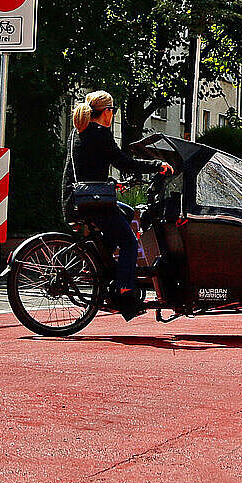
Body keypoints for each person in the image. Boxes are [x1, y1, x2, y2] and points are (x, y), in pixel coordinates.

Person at [63, 90, 173, 320]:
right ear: (107, 112)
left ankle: (98, 260)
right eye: (113, 110)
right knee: (130, 243)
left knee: (127, 212)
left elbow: (85, 169)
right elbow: (124, 162)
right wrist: (157, 165)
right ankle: (124, 292)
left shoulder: (79, 132)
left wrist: (111, 184)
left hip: (77, 198)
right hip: (93, 203)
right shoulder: (100, 133)